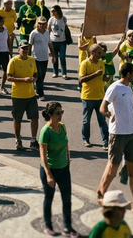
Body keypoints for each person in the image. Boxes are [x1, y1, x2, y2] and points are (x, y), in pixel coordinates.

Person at [97, 63, 133, 217]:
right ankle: (100, 193)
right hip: (118, 134)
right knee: (112, 168)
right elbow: (102, 106)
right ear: (128, 74)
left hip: (131, 134)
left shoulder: (129, 88)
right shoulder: (115, 87)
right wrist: (106, 113)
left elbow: (131, 109)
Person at [38, 102, 79, 237]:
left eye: (62, 112)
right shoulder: (45, 131)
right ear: (50, 115)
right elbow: (43, 156)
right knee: (49, 198)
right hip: (50, 170)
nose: (60, 115)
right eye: (58, 113)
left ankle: (67, 227)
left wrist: (68, 160)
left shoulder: (62, 127)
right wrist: (49, 175)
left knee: (67, 199)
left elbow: (66, 145)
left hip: (64, 169)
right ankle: (47, 225)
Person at [8, 40, 40, 151]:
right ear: (19, 50)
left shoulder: (31, 60)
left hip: (31, 95)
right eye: (23, 49)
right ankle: (18, 140)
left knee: (34, 118)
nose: (25, 50)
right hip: (18, 96)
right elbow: (9, 77)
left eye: (27, 48)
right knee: (17, 119)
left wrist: (34, 79)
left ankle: (33, 140)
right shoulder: (13, 61)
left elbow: (36, 74)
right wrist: (23, 80)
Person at [79, 44, 109, 150]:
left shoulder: (101, 63)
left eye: (102, 52)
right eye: (99, 53)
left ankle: (106, 142)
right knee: (86, 120)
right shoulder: (85, 64)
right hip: (88, 97)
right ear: (92, 53)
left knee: (102, 120)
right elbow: (81, 79)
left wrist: (106, 78)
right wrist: (95, 74)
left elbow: (103, 77)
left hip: (100, 96)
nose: (101, 54)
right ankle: (86, 139)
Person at [29, 16, 55, 100]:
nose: (41, 25)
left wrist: (53, 56)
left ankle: (37, 90)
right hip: (36, 58)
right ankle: (41, 94)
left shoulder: (47, 32)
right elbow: (30, 45)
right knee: (39, 76)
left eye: (43, 24)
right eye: (40, 24)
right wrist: (28, 57)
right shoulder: (34, 33)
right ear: (37, 24)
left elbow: (49, 44)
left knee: (42, 76)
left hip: (45, 57)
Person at [48, 5, 68, 79]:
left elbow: (66, 28)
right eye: (51, 11)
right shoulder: (51, 20)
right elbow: (48, 30)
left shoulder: (63, 19)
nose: (52, 12)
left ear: (57, 11)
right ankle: (55, 72)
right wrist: (47, 40)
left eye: (54, 11)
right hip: (53, 40)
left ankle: (64, 73)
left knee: (62, 57)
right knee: (54, 57)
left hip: (62, 41)